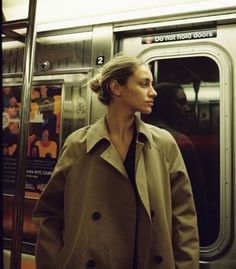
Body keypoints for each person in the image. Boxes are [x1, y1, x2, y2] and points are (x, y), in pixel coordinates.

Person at [33, 55, 199, 269]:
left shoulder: (163, 144)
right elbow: (50, 213)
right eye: (144, 83)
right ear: (116, 88)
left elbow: (183, 218)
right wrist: (55, 262)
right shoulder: (79, 145)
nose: (153, 92)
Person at [142, 82, 209, 245]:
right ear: (164, 106)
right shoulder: (179, 142)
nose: (187, 109)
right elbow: (196, 198)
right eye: (181, 102)